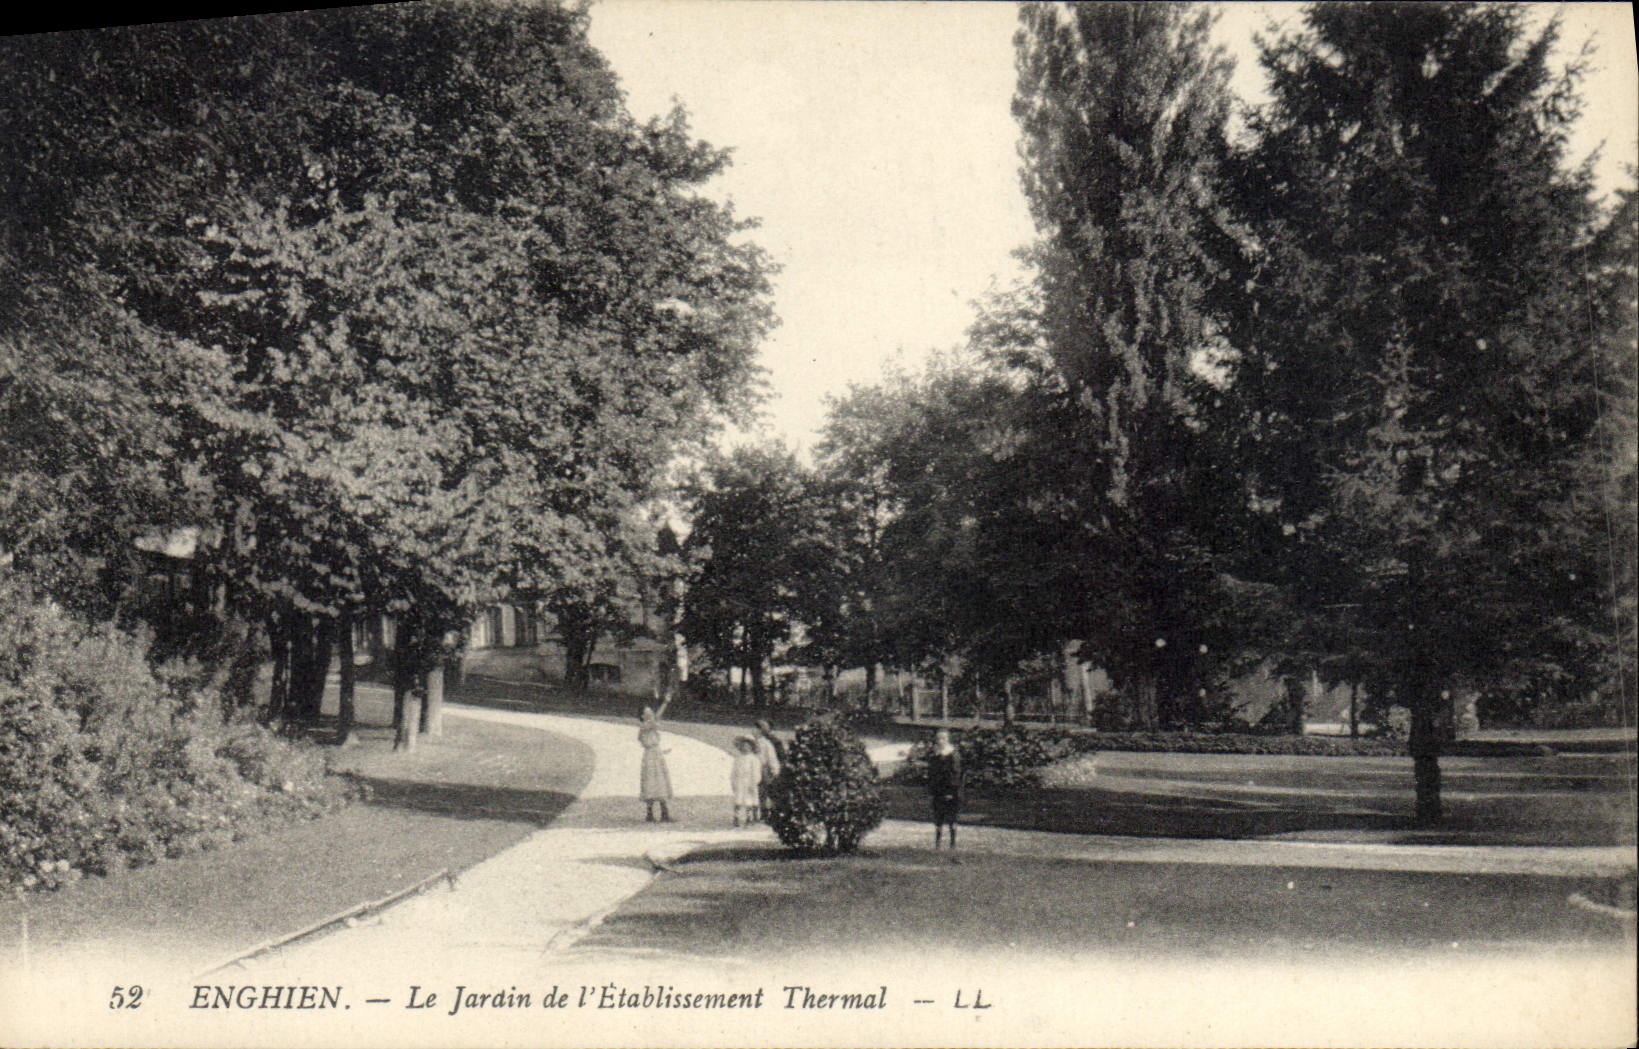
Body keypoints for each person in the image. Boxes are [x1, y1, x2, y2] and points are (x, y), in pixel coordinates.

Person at [927, 728, 962, 854]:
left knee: (952, 818)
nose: (941, 741)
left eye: (943, 738)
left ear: (948, 739)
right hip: (938, 791)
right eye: (938, 738)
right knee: (938, 818)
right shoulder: (935, 755)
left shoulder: (953, 754)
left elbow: (955, 774)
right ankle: (937, 844)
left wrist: (951, 791)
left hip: (951, 791)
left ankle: (952, 844)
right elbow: (932, 774)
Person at [638, 698, 674, 823]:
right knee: (652, 783)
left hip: (656, 755)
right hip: (650, 757)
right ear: (642, 716)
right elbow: (656, 718)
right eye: (647, 713)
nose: (650, 715)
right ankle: (651, 813)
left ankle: (664, 812)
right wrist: (665, 702)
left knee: (660, 782)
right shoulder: (644, 726)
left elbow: (655, 720)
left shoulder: (649, 727)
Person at [753, 718, 785, 821]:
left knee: (770, 792)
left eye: (763, 727)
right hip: (756, 769)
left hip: (767, 769)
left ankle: (773, 814)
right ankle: (762, 813)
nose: (760, 730)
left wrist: (775, 770)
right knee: (759, 793)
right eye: (759, 727)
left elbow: (777, 757)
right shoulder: (753, 741)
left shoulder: (772, 741)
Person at [730, 736, 762, 826]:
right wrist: (733, 782)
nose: (745, 748)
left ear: (751, 747)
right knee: (738, 800)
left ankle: (750, 817)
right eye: (743, 746)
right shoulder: (738, 759)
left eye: (747, 746)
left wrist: (754, 782)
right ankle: (736, 817)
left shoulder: (753, 759)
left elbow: (756, 772)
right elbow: (734, 772)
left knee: (749, 800)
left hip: (749, 782)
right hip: (740, 782)